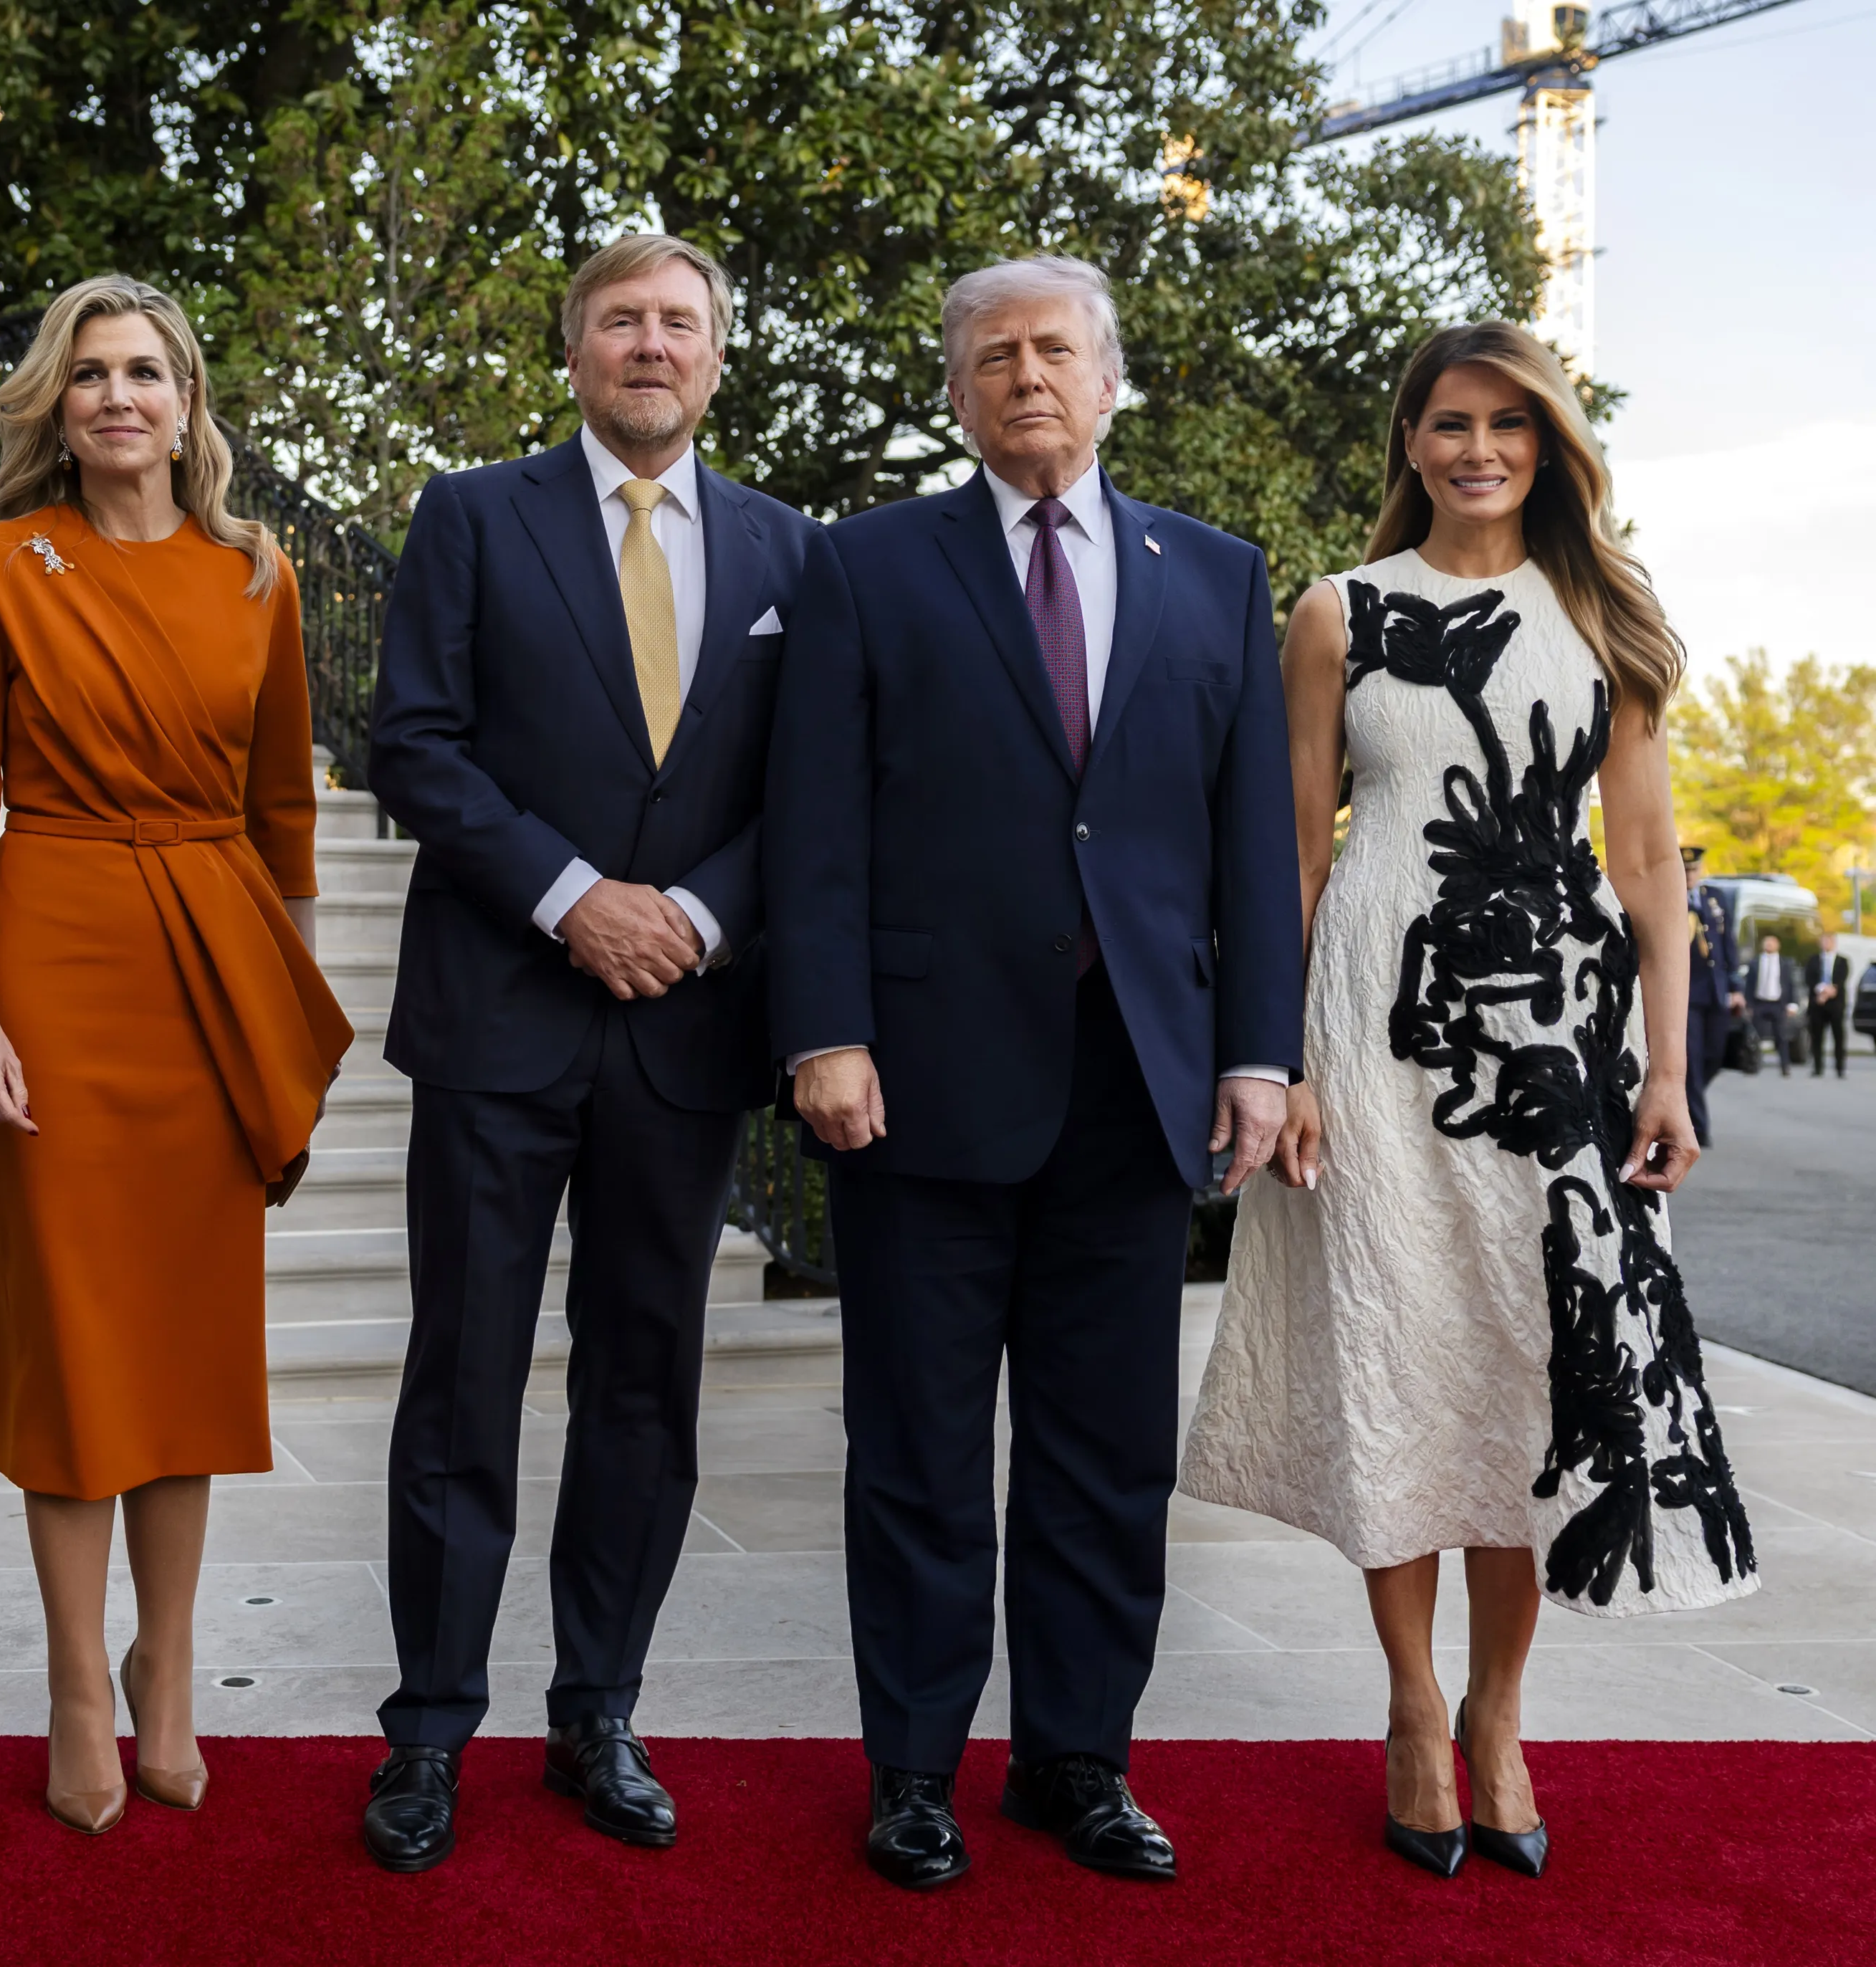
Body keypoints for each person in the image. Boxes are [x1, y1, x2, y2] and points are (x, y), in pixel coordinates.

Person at [1181, 321, 1758, 1885]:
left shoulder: (1602, 615)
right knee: (1399, 1349)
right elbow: (1297, 852)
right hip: (1374, 1028)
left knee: (1531, 1364)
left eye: (1510, 424)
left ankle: (1502, 1710)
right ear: (1411, 442)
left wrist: (1666, 1066)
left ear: (1550, 444)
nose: (1480, 449)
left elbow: (1650, 861)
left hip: (1560, 1046)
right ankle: (1415, 1708)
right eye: (1451, 422)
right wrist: (1284, 1058)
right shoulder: (1340, 612)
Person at [765, 254, 1303, 1892]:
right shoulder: (865, 565)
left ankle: (1078, 1759)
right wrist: (823, 1027)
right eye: (992, 356)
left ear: (1107, 378)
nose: (1025, 376)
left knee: (1107, 1454)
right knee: (917, 1449)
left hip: (1135, 1087)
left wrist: (1260, 1052)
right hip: (915, 1084)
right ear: (955, 392)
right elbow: (814, 823)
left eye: (1054, 349)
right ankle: (914, 1771)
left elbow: (1250, 843)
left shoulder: (1216, 577)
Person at [359, 234, 823, 1874]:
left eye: (678, 321)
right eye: (620, 319)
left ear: (716, 354)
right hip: (498, 1014)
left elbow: (812, 783)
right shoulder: (471, 517)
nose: (649, 343)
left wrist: (693, 914)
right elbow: (411, 743)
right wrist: (572, 899)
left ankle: (597, 1710)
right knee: (461, 1377)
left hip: (684, 1027)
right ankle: (428, 1726)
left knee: (644, 1381)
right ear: (574, 351)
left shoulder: (789, 548)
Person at [0, 275, 352, 1835]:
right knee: (74, 1336)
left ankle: (168, 1665)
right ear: (58, 402)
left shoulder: (257, 571)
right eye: (91, 372)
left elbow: (284, 810)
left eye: (145, 372)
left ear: (187, 404)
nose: (118, 396)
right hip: (54, 958)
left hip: (215, 966)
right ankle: (75, 1685)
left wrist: (283, 1010)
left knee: (186, 1340)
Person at [1681, 848, 1739, 1142]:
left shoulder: (1714, 897)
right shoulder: (1670, 897)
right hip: (1686, 993)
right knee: (1692, 1060)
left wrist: (1736, 987)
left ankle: (1685, 1100)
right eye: (1685, 870)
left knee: (1715, 1055)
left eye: (1693, 870)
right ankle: (1698, 1128)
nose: (1689, 875)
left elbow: (1728, 943)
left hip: (1715, 991)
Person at [1745, 934, 1801, 1078]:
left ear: (1778, 945)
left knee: (1781, 1036)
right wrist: (1748, 1004)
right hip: (1759, 1003)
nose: (1769, 945)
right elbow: (1749, 984)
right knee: (1755, 1036)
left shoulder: (1785, 963)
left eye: (1771, 943)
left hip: (1778, 1004)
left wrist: (1793, 1004)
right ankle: (1753, 1064)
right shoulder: (1755, 962)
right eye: (1766, 942)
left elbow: (1791, 984)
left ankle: (1785, 1066)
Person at [1805, 947, 1849, 1078]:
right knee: (1817, 1037)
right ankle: (1818, 1067)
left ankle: (1840, 1068)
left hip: (1836, 1004)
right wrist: (1821, 991)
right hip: (1817, 1003)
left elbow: (1842, 979)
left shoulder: (1842, 961)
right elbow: (1809, 979)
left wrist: (1830, 991)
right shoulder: (1813, 960)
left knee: (1838, 1037)